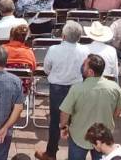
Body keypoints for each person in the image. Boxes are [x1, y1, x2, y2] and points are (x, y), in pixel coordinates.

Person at [35, 21, 90, 160]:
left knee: (56, 121)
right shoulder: (85, 50)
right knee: (75, 120)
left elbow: (47, 68)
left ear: (63, 36)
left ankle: (51, 153)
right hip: (77, 87)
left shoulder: (54, 49)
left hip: (58, 88)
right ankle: (74, 154)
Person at [58, 54, 121, 160]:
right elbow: (119, 109)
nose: (82, 66)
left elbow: (65, 112)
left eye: (84, 65)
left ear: (90, 72)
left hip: (79, 136)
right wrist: (108, 119)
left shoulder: (76, 89)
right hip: (103, 138)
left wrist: (63, 127)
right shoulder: (115, 88)